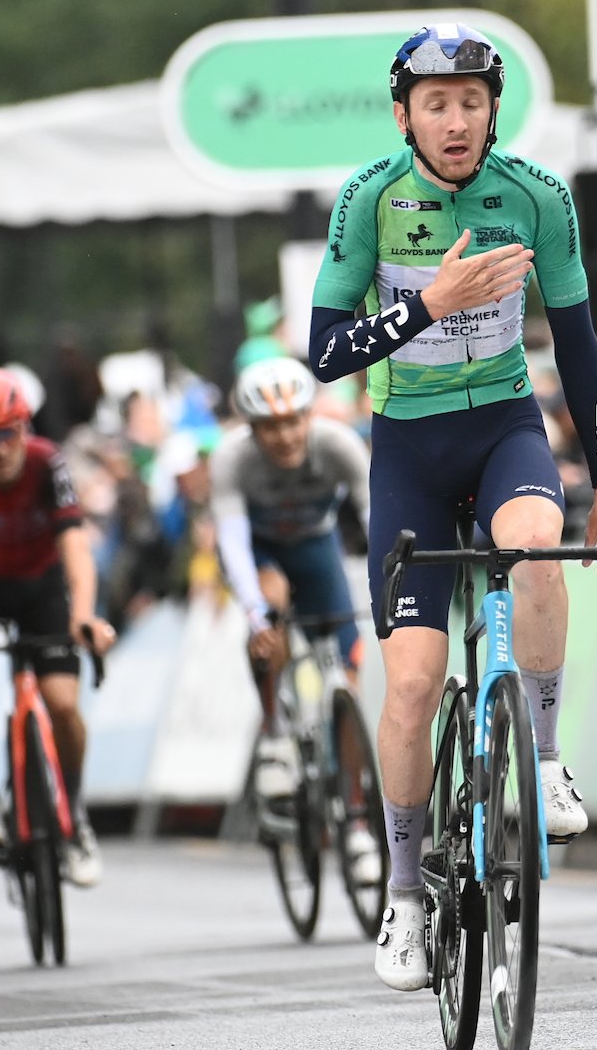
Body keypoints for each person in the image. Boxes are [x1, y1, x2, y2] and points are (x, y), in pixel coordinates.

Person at [308, 21, 597, 992]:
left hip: (503, 429)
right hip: (405, 447)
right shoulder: (369, 199)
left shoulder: (537, 198)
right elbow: (324, 354)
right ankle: (405, 898)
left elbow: (579, 352)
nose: (455, 121)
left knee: (536, 544)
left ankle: (543, 756)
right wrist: (428, 305)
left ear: (494, 112)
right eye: (436, 103)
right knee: (410, 683)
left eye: (472, 102)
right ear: (404, 113)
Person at [0, 369, 116, 885]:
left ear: (25, 427)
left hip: (42, 584)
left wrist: (83, 614)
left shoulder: (47, 462)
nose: (0, 449)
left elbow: (76, 547)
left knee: (63, 703)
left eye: (10, 432)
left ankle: (77, 819)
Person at [209, 357, 377, 875]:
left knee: (347, 670)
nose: (284, 437)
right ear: (250, 428)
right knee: (271, 603)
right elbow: (233, 542)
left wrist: (395, 581)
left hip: (315, 548)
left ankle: (354, 821)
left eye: (292, 422)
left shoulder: (339, 444)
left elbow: (379, 518)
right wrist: (257, 614)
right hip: (260, 554)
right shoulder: (231, 460)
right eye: (269, 427)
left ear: (309, 416)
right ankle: (276, 732)